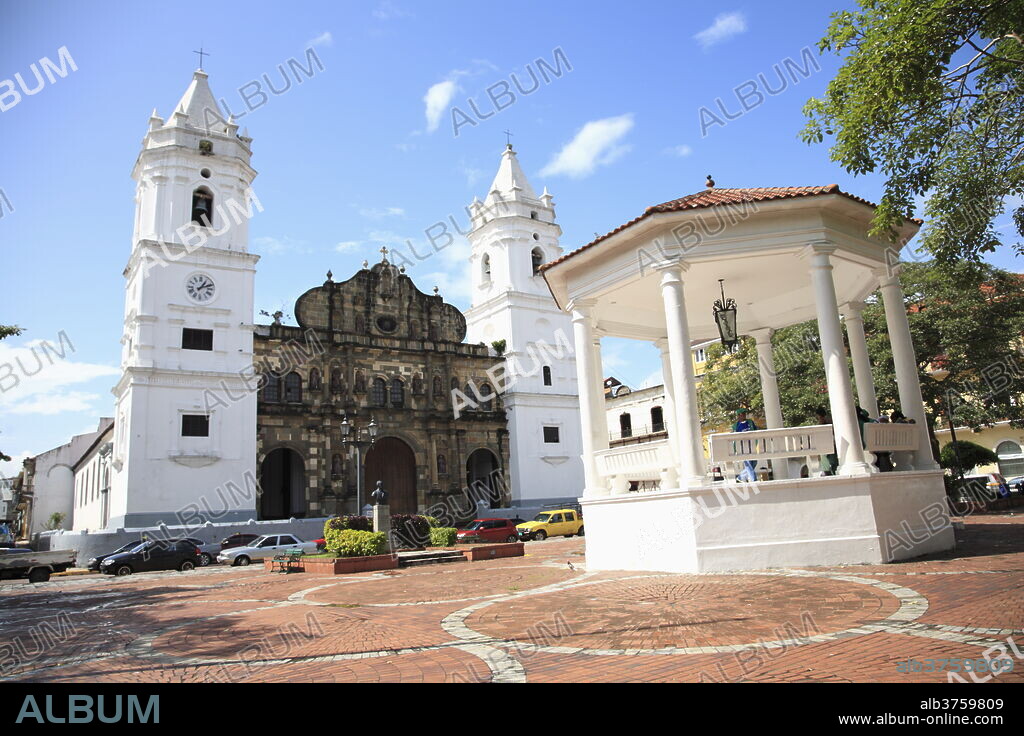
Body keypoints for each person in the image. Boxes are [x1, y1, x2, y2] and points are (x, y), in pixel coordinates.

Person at [733, 409, 758, 482]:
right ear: (738, 416)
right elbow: (734, 438)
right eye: (741, 414)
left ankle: (741, 477)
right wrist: (735, 449)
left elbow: (756, 431)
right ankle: (754, 480)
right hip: (743, 447)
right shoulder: (736, 426)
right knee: (748, 463)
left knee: (754, 462)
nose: (744, 415)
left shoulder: (750, 422)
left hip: (752, 445)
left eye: (744, 413)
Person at [814, 406, 839, 475]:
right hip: (827, 446)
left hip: (830, 445)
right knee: (830, 464)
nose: (818, 419)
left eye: (818, 417)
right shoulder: (829, 419)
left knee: (831, 464)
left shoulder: (827, 420)